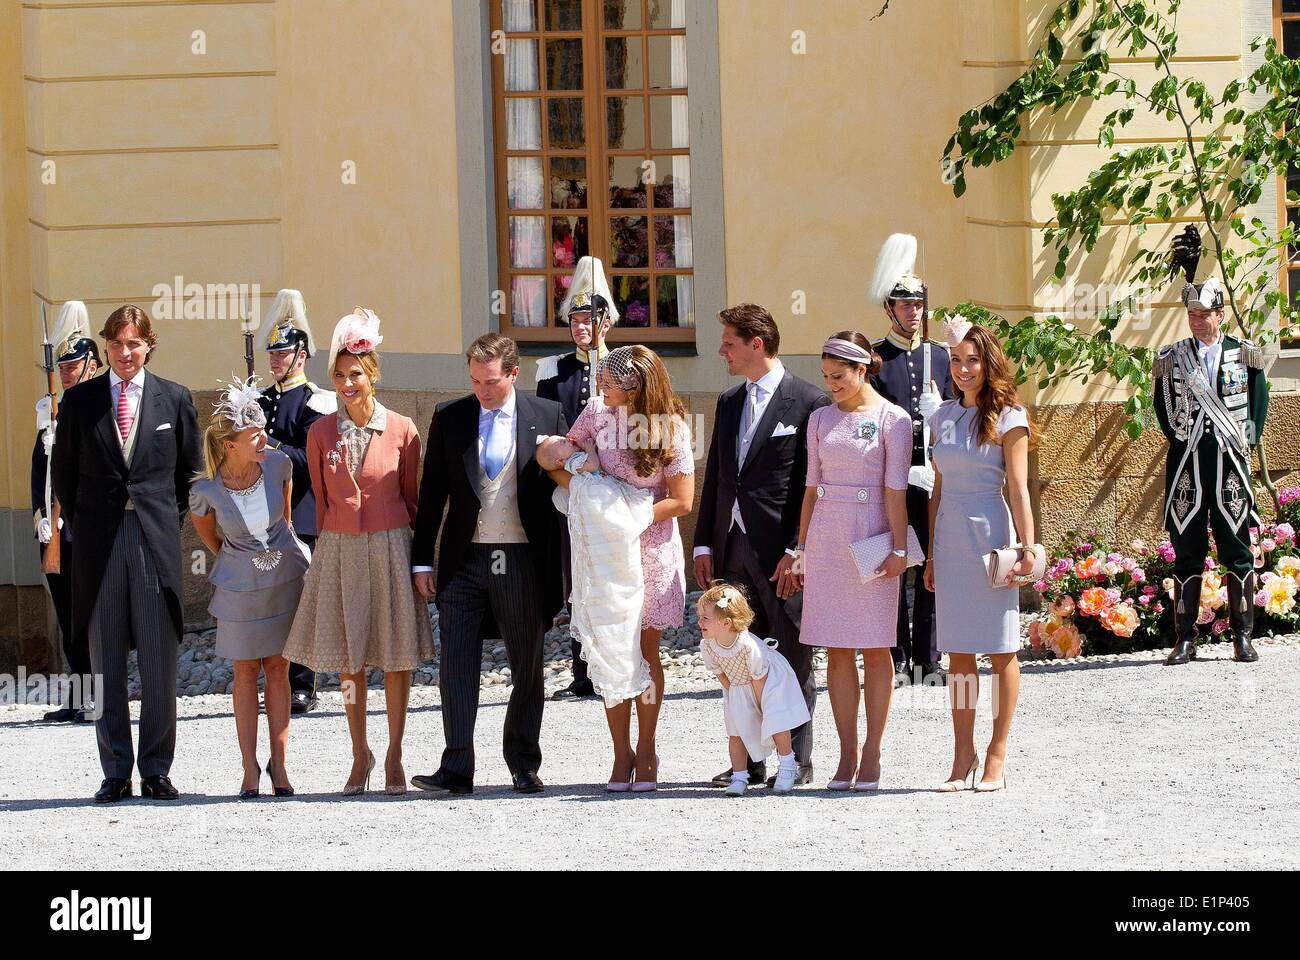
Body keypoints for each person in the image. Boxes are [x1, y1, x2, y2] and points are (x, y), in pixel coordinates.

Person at [51, 304, 203, 803]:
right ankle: (115, 769)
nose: (124, 353)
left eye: (133, 343)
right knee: (105, 660)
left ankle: (156, 769)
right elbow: (64, 476)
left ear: (149, 345)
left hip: (153, 541)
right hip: (99, 545)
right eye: (115, 344)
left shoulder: (174, 400)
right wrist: (87, 527)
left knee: (160, 660)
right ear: (106, 348)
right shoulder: (80, 403)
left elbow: (188, 476)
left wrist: (162, 523)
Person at [282, 308, 435, 796]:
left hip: (391, 545)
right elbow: (322, 503)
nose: (348, 383)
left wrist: (412, 556)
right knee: (350, 662)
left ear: (373, 376)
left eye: (357, 375)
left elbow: (414, 498)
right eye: (340, 375)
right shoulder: (319, 432)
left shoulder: (403, 429)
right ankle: (359, 752)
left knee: (395, 658)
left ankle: (394, 753)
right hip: (340, 548)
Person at [410, 334, 566, 795]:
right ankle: (457, 767)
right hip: (465, 559)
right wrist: (422, 562)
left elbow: (569, 484)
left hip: (521, 557)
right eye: (475, 380)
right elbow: (432, 493)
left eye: (492, 381)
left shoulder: (547, 416)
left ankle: (523, 763)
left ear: (514, 374)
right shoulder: (450, 416)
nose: (482, 389)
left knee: (526, 663)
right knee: (456, 663)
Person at [694, 303, 829, 789]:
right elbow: (716, 478)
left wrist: (801, 548)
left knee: (792, 655)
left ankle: (799, 759)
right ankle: (748, 763)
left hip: (782, 553)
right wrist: (703, 544)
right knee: (736, 653)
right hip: (731, 547)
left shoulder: (809, 401)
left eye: (729, 341)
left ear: (757, 343)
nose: (721, 350)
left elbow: (813, 486)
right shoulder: (729, 401)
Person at [550, 345, 695, 792]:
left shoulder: (670, 427)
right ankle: (620, 753)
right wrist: (591, 492)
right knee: (612, 650)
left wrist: (625, 516)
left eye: (609, 384)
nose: (599, 389)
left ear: (635, 388)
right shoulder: (594, 413)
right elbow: (557, 463)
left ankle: (647, 748)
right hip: (603, 554)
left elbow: (683, 500)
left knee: (646, 653)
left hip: (649, 551)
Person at [792, 331, 912, 791]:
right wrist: (802, 548)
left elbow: (896, 490)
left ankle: (873, 752)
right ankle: (845, 754)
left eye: (839, 376)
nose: (831, 384)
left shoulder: (893, 419)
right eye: (825, 376)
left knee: (875, 647)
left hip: (873, 537)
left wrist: (899, 548)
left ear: (863, 369)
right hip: (826, 537)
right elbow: (809, 487)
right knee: (837, 650)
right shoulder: (820, 418)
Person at [924, 317, 1037, 793]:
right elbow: (938, 487)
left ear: (989, 364)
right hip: (949, 538)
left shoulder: (1011, 416)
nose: (963, 369)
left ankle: (997, 751)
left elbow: (1018, 485)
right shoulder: (941, 417)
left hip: (991, 535)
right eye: (956, 360)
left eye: (972, 360)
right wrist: (929, 552)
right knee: (959, 654)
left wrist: (1027, 546)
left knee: (1001, 648)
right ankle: (961, 752)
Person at [190, 377, 310, 799]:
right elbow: (213, 539)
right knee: (244, 671)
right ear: (230, 444)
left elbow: (288, 520)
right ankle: (248, 768)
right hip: (239, 586)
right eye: (254, 433)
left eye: (263, 429)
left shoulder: (280, 465)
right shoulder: (205, 490)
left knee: (278, 667)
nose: (264, 438)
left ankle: (280, 765)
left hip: (283, 579)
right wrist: (243, 557)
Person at [1154, 267, 1270, 665]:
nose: (1198, 321)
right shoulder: (1173, 358)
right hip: (1188, 465)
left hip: (1230, 465)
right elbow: (1162, 407)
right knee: (1186, 550)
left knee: (1237, 549)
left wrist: (1245, 442)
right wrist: (1184, 438)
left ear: (1221, 314)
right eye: (1192, 314)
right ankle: (1185, 639)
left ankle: (1242, 636)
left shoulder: (1244, 352)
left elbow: (1258, 403)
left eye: (1205, 314)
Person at [868, 234, 953, 685]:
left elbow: (958, 415)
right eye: (904, 304)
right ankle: (896, 652)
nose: (913, 311)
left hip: (933, 477)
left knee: (932, 564)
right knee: (895, 565)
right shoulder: (876, 360)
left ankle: (929, 656)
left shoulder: (941, 356)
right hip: (894, 479)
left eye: (918, 303)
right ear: (889, 309)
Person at [536, 256, 615, 701]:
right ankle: (582, 671)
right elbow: (546, 428)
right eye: (575, 320)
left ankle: (613, 665)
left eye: (588, 320)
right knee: (577, 577)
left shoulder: (622, 366)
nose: (580, 327)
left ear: (604, 322)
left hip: (616, 485)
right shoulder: (554, 371)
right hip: (571, 485)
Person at [255, 289, 337, 713]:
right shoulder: (261, 400)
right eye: (272, 353)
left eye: (282, 352)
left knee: (301, 604)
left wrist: (269, 446)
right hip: (259, 517)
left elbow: (311, 461)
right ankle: (273, 679)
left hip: (299, 516)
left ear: (301, 355)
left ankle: (303, 683)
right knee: (268, 602)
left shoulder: (316, 401)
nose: (275, 360)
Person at [536, 434, 655, 723]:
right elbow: (592, 464)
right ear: (562, 460)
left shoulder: (569, 463)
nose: (567, 439)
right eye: (561, 443)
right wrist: (589, 450)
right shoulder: (577, 461)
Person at [32, 301, 100, 723]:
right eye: (62, 366)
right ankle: (78, 693)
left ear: (91, 365)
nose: (66, 372)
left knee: (94, 614)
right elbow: (38, 469)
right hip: (59, 527)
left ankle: (100, 693)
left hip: (90, 524)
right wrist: (41, 513)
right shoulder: (50, 410)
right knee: (67, 612)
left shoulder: (100, 406)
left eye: (73, 365)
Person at [697, 583, 810, 797]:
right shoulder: (708, 645)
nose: (699, 622)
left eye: (705, 618)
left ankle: (787, 765)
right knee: (736, 731)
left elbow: (760, 677)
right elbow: (721, 673)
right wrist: (735, 698)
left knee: (775, 721)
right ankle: (740, 776)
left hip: (768, 683)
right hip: (737, 686)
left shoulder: (748, 646)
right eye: (700, 616)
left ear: (726, 622)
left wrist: (761, 705)